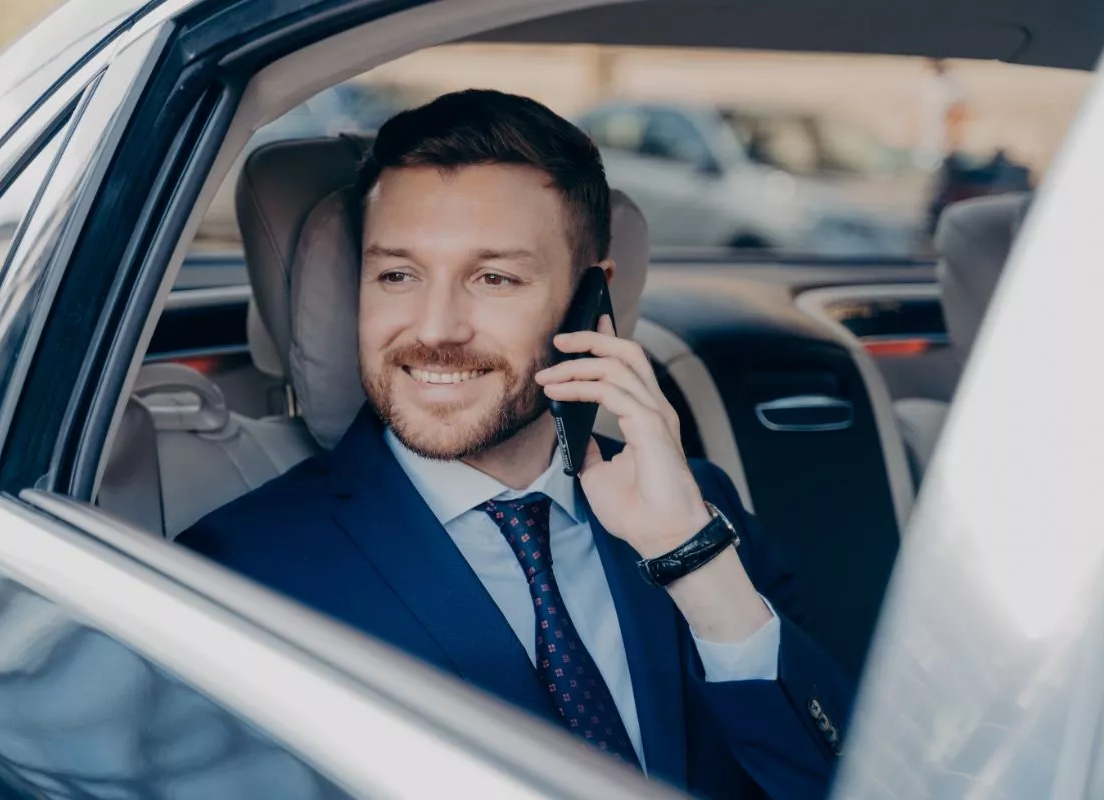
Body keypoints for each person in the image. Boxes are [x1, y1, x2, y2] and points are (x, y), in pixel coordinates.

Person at [178, 89, 851, 799]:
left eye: (493, 278)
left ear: (592, 300)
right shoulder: (234, 577)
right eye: (397, 275)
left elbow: (838, 783)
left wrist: (692, 560)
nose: (435, 328)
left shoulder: (697, 510)